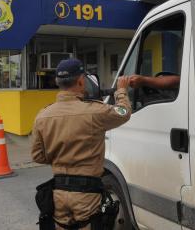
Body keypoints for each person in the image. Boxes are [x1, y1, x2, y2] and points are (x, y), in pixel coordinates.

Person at [31, 58, 131, 230]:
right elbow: (124, 112)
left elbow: (38, 156)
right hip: (87, 195)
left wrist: (60, 154)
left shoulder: (43, 116)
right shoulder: (95, 111)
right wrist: (121, 91)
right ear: (80, 81)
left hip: (58, 194)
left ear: (57, 82)